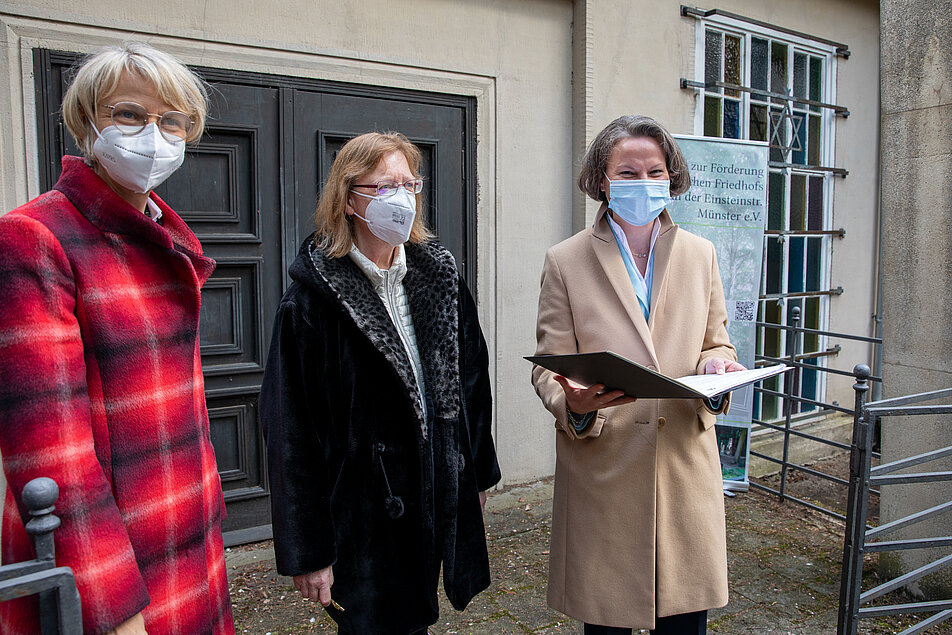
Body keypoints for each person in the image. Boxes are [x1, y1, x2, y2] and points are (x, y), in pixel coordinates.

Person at [0, 43, 233, 635]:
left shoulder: (161, 234)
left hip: (185, 534)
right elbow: (49, 450)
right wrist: (112, 609)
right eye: (129, 115)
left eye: (171, 120)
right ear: (88, 123)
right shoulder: (35, 237)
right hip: (112, 556)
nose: (154, 135)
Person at [260, 131, 501, 634]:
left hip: (433, 491)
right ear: (349, 200)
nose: (402, 198)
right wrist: (309, 550)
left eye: (409, 184)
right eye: (385, 186)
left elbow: (472, 383)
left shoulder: (440, 275)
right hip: (362, 516)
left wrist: (475, 474)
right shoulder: (310, 301)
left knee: (419, 619)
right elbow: (291, 432)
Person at [531, 115, 745, 635]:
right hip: (605, 465)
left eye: (656, 171)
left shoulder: (701, 254)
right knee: (606, 622)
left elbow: (717, 342)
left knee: (684, 621)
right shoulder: (566, 260)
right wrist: (572, 405)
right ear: (602, 180)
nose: (644, 183)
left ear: (671, 176)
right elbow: (548, 364)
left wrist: (718, 369)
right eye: (628, 171)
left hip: (683, 467)